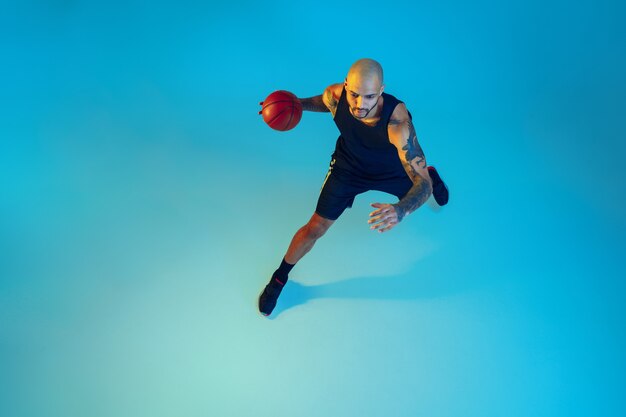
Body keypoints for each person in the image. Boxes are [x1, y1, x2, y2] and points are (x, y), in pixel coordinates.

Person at [258, 58, 449, 316]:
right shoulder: (336, 95)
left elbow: (422, 185)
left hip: (390, 168)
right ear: (346, 86)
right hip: (350, 167)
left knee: (422, 187)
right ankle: (279, 278)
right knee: (315, 228)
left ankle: (431, 171)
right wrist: (294, 105)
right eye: (355, 95)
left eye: (369, 97)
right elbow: (326, 102)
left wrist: (400, 210)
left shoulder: (398, 124)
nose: (360, 105)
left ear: (381, 91)